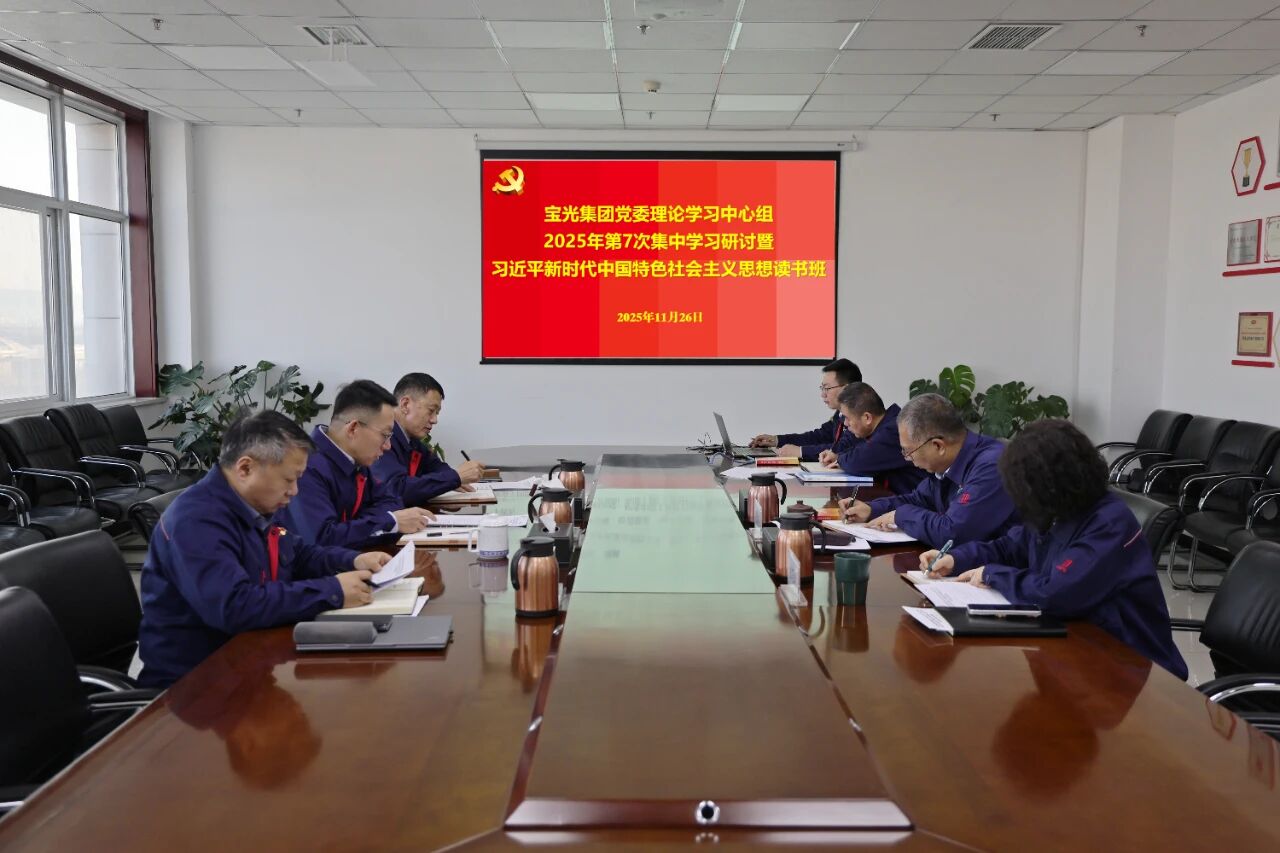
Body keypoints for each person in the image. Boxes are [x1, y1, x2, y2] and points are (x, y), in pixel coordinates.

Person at [137, 411, 391, 688]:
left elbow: (298, 553)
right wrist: (332, 590)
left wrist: (354, 560)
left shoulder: (254, 503)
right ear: (245, 468)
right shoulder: (195, 521)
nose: (295, 491)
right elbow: (235, 606)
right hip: (194, 685)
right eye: (289, 479)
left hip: (251, 660)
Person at [918, 419, 1187, 679]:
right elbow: (1011, 546)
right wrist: (957, 559)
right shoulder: (1055, 508)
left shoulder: (1108, 522)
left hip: (1130, 662)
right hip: (1073, 641)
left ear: (1053, 484)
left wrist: (992, 574)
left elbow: (1056, 592)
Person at [839, 393, 1016, 547]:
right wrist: (872, 509)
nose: (907, 458)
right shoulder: (946, 463)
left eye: (908, 451)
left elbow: (952, 533)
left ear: (938, 446)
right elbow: (919, 499)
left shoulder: (991, 466)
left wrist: (901, 515)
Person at [280, 379, 434, 549]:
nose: (388, 446)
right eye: (385, 435)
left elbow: (391, 501)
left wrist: (360, 525)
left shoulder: (356, 460)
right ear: (353, 429)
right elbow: (323, 540)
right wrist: (388, 522)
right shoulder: (306, 467)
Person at [372, 372, 487, 504]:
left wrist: (454, 479)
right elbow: (396, 491)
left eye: (437, 413)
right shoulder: (382, 439)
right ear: (405, 405)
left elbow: (436, 468)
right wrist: (454, 477)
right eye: (431, 410)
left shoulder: (412, 441)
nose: (434, 420)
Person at [750, 358, 861, 461]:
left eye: (827, 388)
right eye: (822, 388)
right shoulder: (840, 414)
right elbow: (818, 437)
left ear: (846, 389)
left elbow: (844, 448)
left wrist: (800, 452)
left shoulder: (859, 415)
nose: (823, 394)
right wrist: (776, 440)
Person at [828, 382, 926, 495]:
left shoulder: (893, 431)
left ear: (867, 418)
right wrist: (839, 457)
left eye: (847, 418)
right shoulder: (882, 427)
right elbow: (857, 450)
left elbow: (857, 462)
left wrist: (839, 459)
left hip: (916, 501)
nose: (845, 423)